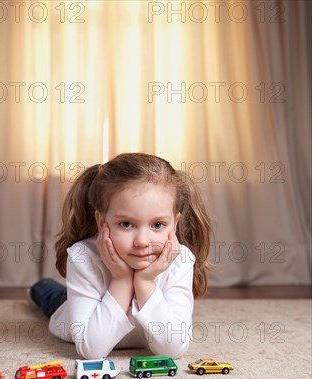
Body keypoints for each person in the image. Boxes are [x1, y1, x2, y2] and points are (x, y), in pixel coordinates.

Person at [29, 153, 211, 359]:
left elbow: (173, 349)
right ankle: (38, 287)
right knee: (52, 297)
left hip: (98, 298)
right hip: (75, 309)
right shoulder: (84, 257)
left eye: (158, 225)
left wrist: (145, 282)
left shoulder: (181, 260)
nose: (142, 241)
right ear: (101, 222)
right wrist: (121, 280)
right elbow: (92, 351)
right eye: (126, 224)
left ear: (175, 223)